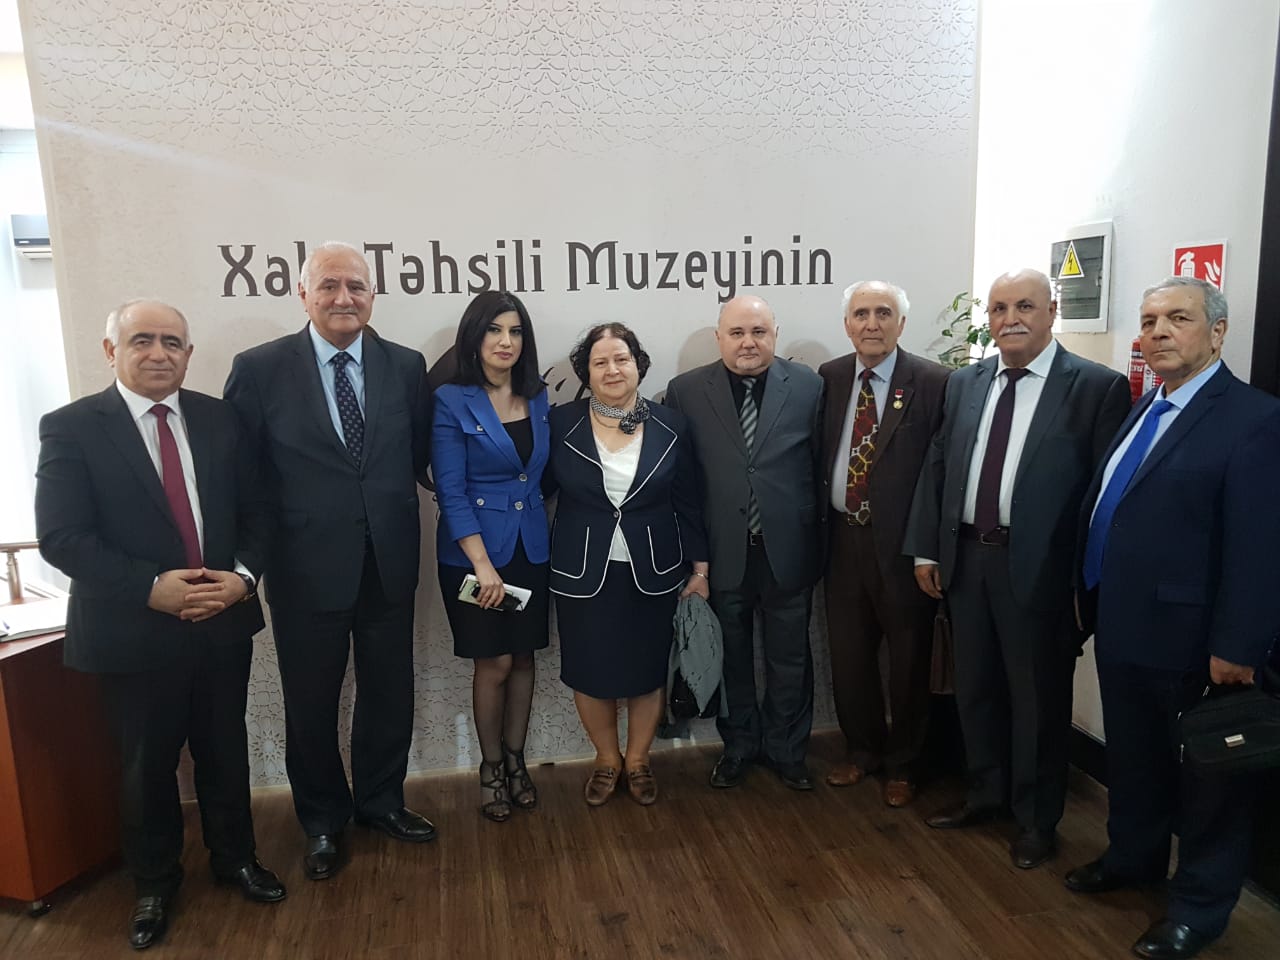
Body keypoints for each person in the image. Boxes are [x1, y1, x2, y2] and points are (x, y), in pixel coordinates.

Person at [34, 300, 284, 950]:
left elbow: (260, 509)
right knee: (146, 766)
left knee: (225, 751)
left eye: (172, 342)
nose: (158, 353)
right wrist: (151, 588)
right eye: (141, 340)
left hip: (222, 619)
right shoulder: (71, 427)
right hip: (133, 630)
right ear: (111, 350)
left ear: (188, 354)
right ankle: (153, 883)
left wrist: (243, 578)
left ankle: (236, 860)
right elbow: (62, 536)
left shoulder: (221, 418)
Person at [1065, 277, 1280, 960]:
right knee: (1135, 762)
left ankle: (1198, 909)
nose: (1158, 331)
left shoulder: (1254, 418)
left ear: (1217, 332)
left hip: (1196, 641)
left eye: (1177, 318)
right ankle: (1133, 859)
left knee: (1212, 785)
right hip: (1124, 624)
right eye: (1149, 319)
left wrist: (1239, 644)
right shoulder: (1148, 405)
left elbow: (1260, 546)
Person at [903, 268, 1129, 869]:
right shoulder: (966, 382)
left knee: (1037, 702)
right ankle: (985, 794)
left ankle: (1036, 819)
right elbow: (939, 466)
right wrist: (928, 549)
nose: (1011, 319)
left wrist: (1084, 584)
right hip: (967, 561)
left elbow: (1102, 497)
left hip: (1040, 571)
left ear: (1052, 311)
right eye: (999, 308)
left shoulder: (1096, 388)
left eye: (1025, 306)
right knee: (975, 688)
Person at [223, 241, 434, 881]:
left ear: (373, 295)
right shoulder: (259, 369)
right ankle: (321, 821)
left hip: (388, 559)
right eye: (329, 285)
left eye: (357, 286)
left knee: (389, 691)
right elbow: (244, 476)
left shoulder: (405, 365)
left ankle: (381, 801)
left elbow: (413, 454)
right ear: (303, 293)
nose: (344, 298)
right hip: (303, 567)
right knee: (311, 703)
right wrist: (246, 564)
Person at [664, 295, 825, 791]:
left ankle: (787, 750)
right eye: (737, 333)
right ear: (719, 338)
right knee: (731, 655)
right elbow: (683, 484)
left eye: (759, 331)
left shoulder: (810, 386)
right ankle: (738, 747)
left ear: (775, 334)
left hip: (788, 549)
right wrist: (696, 562)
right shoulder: (686, 391)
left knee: (790, 658)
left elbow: (820, 467)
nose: (748, 342)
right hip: (722, 551)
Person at [546, 323, 709, 806]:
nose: (612, 370)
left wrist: (700, 570)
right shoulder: (559, 423)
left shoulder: (673, 425)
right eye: (600, 362)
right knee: (588, 670)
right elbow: (534, 488)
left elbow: (689, 502)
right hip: (582, 568)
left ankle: (638, 760)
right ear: (586, 372)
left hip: (653, 566)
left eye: (621, 359)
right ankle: (606, 759)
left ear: (638, 365)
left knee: (647, 670)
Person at [817, 281, 949, 806]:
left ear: (901, 323)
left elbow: (941, 472)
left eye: (883, 313)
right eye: (861, 314)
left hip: (902, 548)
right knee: (849, 657)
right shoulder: (830, 377)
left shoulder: (934, 382)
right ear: (846, 324)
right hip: (842, 540)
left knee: (909, 660)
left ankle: (905, 764)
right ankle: (862, 751)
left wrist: (928, 548)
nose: (871, 324)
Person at [431, 290, 550, 822]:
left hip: (530, 547)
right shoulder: (451, 400)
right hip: (474, 556)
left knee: (523, 657)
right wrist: (483, 567)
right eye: (494, 330)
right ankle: (491, 768)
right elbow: (451, 491)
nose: (506, 341)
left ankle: (518, 762)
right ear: (474, 337)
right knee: (494, 662)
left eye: (515, 331)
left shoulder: (538, 396)